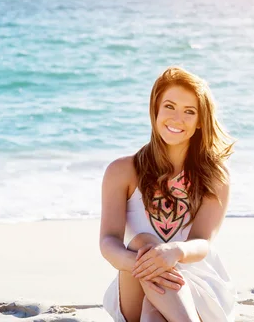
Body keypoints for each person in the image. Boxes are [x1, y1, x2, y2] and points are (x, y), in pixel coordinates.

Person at [100, 66, 236, 322]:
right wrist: (147, 266)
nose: (177, 118)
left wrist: (174, 252)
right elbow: (108, 242)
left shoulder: (214, 175)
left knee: (154, 311)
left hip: (197, 284)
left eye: (189, 112)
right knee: (142, 243)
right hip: (135, 278)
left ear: (199, 122)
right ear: (156, 110)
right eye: (170, 106)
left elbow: (203, 242)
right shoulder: (122, 171)